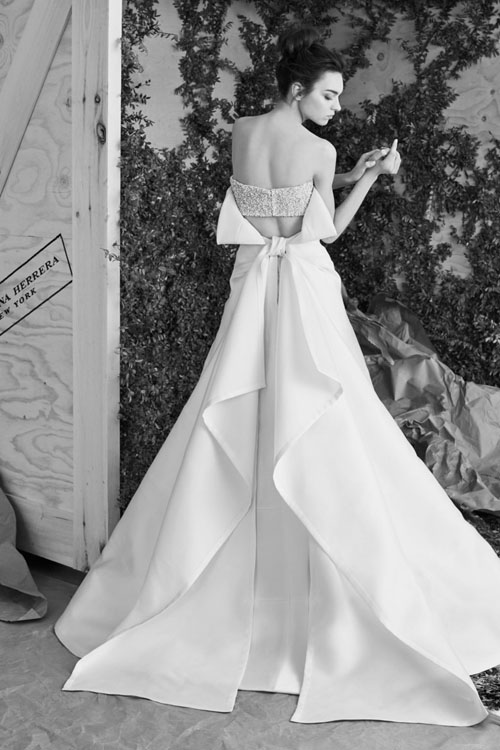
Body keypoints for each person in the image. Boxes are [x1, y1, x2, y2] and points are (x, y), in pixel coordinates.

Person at [55, 26, 500, 726]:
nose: (335, 108)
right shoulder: (320, 150)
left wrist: (342, 172)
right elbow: (323, 228)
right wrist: (371, 178)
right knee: (326, 413)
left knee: (243, 407)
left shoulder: (242, 131)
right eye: (329, 95)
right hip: (303, 291)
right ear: (298, 90)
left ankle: (207, 581)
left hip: (254, 288)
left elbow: (273, 200)